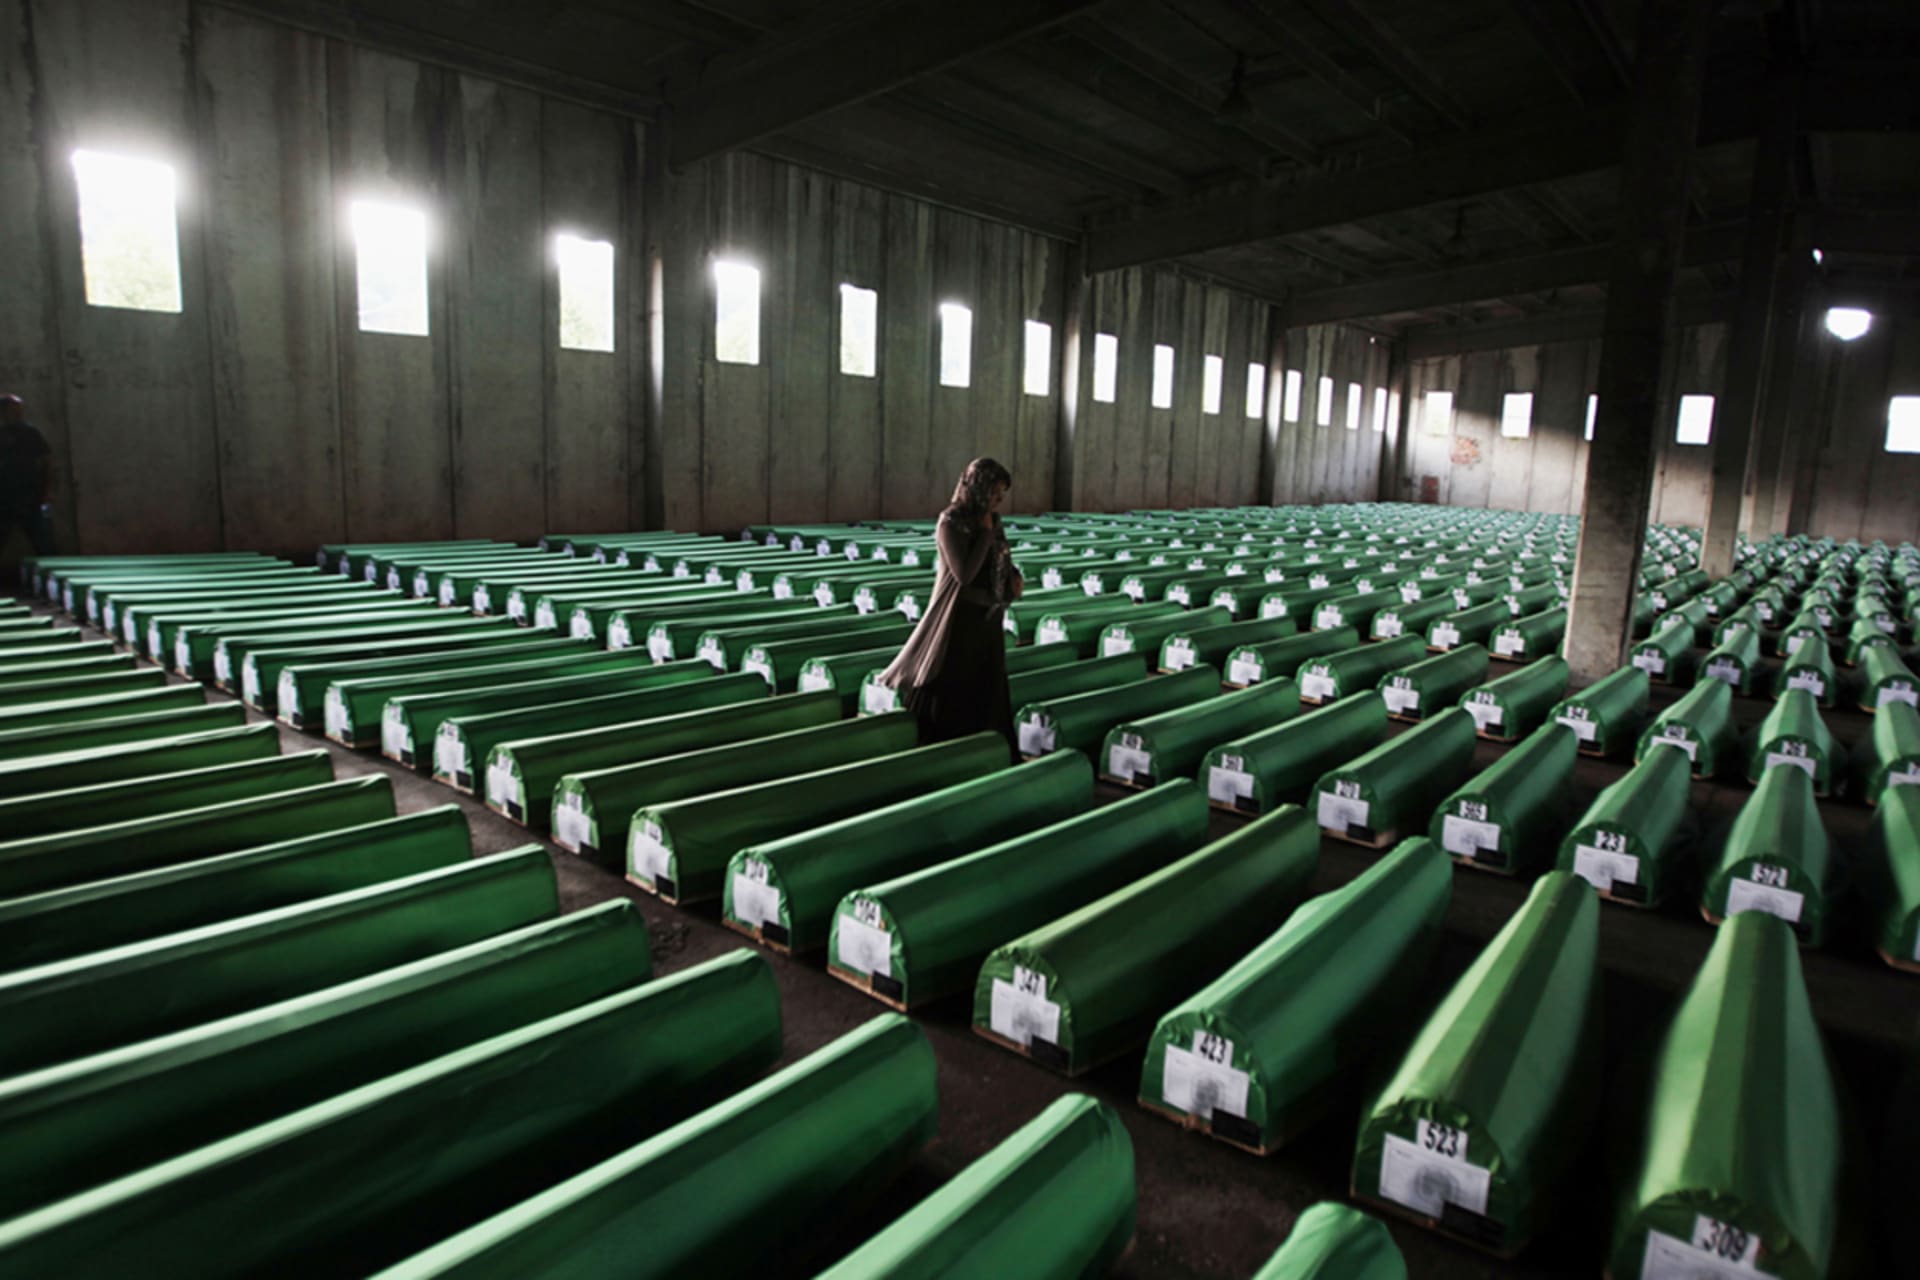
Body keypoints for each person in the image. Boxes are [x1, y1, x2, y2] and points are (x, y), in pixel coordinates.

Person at [880, 457, 1024, 752]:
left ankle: (987, 750)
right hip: (962, 621)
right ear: (978, 487)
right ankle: (944, 750)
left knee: (989, 688)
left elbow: (1001, 558)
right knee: (955, 687)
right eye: (995, 492)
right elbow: (964, 574)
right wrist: (984, 533)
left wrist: (1013, 580)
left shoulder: (992, 520)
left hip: (989, 618)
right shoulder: (951, 521)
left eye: (1002, 494)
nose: (999, 500)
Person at [0, 396, 53, 557]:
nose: (19, 412)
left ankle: (51, 578)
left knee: (43, 543)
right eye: (14, 409)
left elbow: (47, 462)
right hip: (4, 497)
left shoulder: (30, 433)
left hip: (30, 496)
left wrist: (47, 491)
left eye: (19, 408)